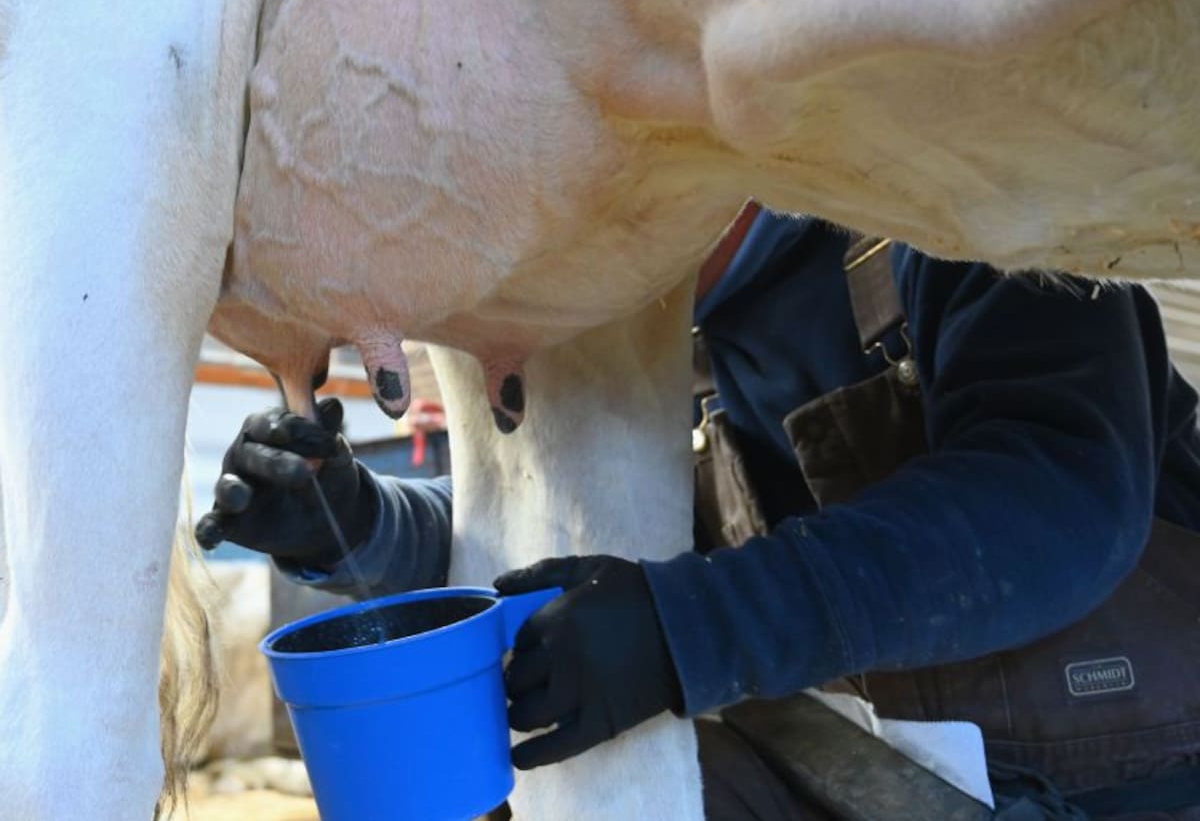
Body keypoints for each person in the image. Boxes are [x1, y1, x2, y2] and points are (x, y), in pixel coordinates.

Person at [198, 205, 1200, 819]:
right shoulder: (655, 333)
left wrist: (690, 626)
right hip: (859, 782)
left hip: (1129, 785)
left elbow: (1062, 490)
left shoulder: (952, 210)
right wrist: (355, 524)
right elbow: (548, 562)